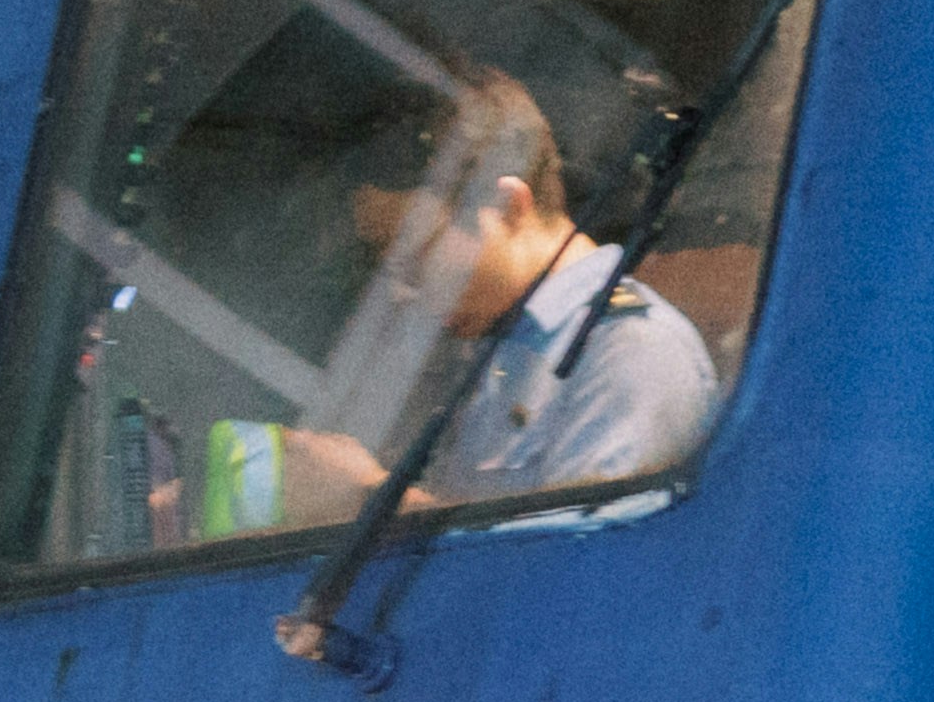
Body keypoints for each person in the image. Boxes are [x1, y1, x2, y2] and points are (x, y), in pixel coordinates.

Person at [252, 68, 722, 526]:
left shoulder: (630, 353)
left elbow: (579, 580)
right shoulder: (490, 353)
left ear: (509, 204)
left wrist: (366, 497)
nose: (402, 288)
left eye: (417, 254)